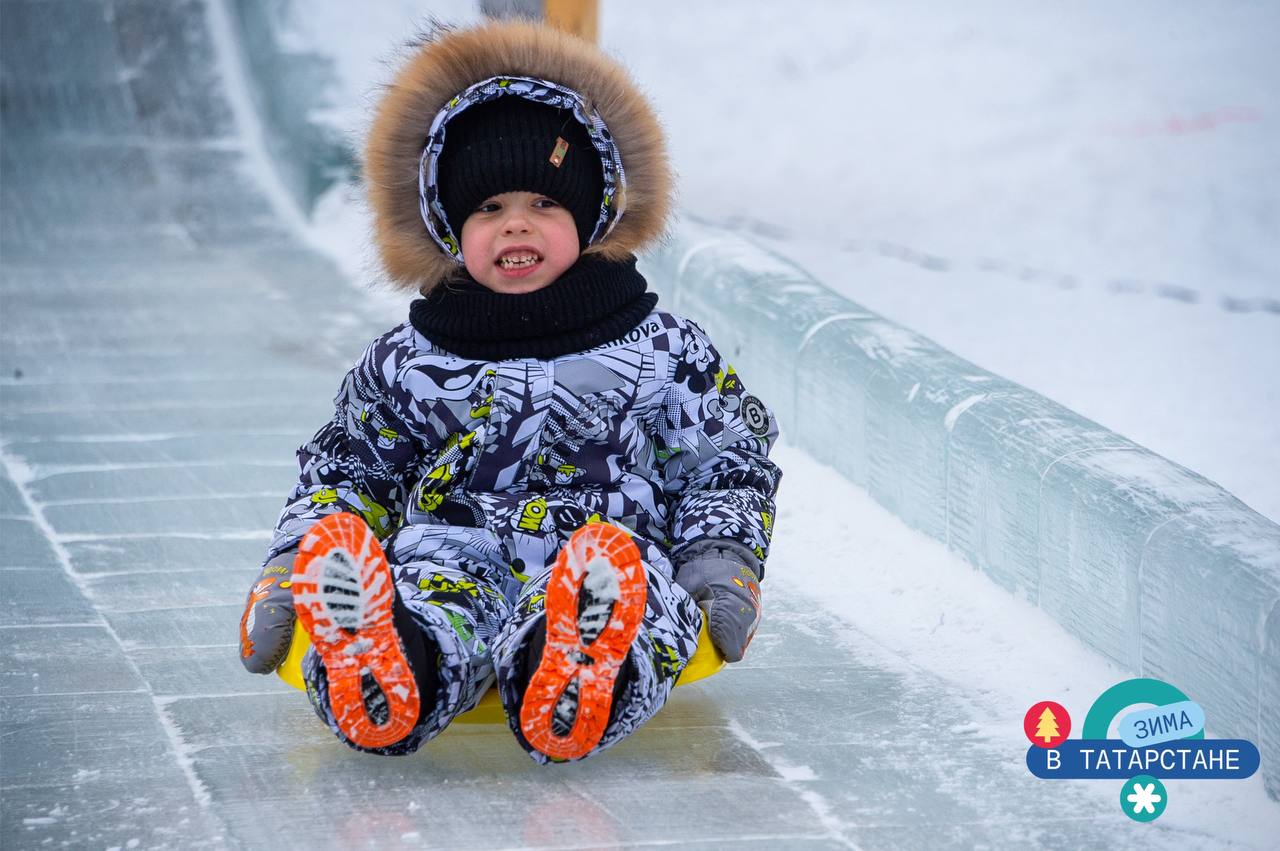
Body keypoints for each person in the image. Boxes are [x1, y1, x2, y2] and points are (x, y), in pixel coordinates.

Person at [237, 19, 782, 763]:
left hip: (603, 558)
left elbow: (725, 461)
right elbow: (345, 471)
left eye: (544, 205)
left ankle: (569, 671)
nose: (514, 224)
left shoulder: (662, 348)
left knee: (642, 599)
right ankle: (385, 658)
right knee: (433, 602)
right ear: (450, 229)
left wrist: (720, 561)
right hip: (452, 554)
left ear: (591, 218)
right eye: (487, 209)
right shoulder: (408, 358)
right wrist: (290, 567)